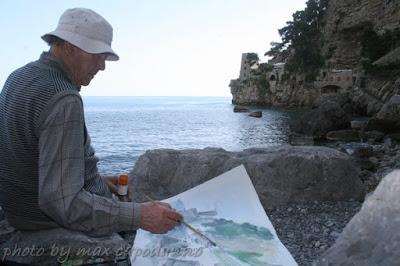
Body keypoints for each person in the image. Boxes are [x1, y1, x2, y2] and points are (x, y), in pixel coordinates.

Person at [0, 8, 182, 237]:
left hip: (20, 213)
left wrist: (93, 180)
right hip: (47, 225)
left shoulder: (18, 77)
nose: (102, 66)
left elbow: (27, 161)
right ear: (69, 46)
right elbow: (63, 204)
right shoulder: (64, 99)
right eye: (97, 55)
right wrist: (140, 216)